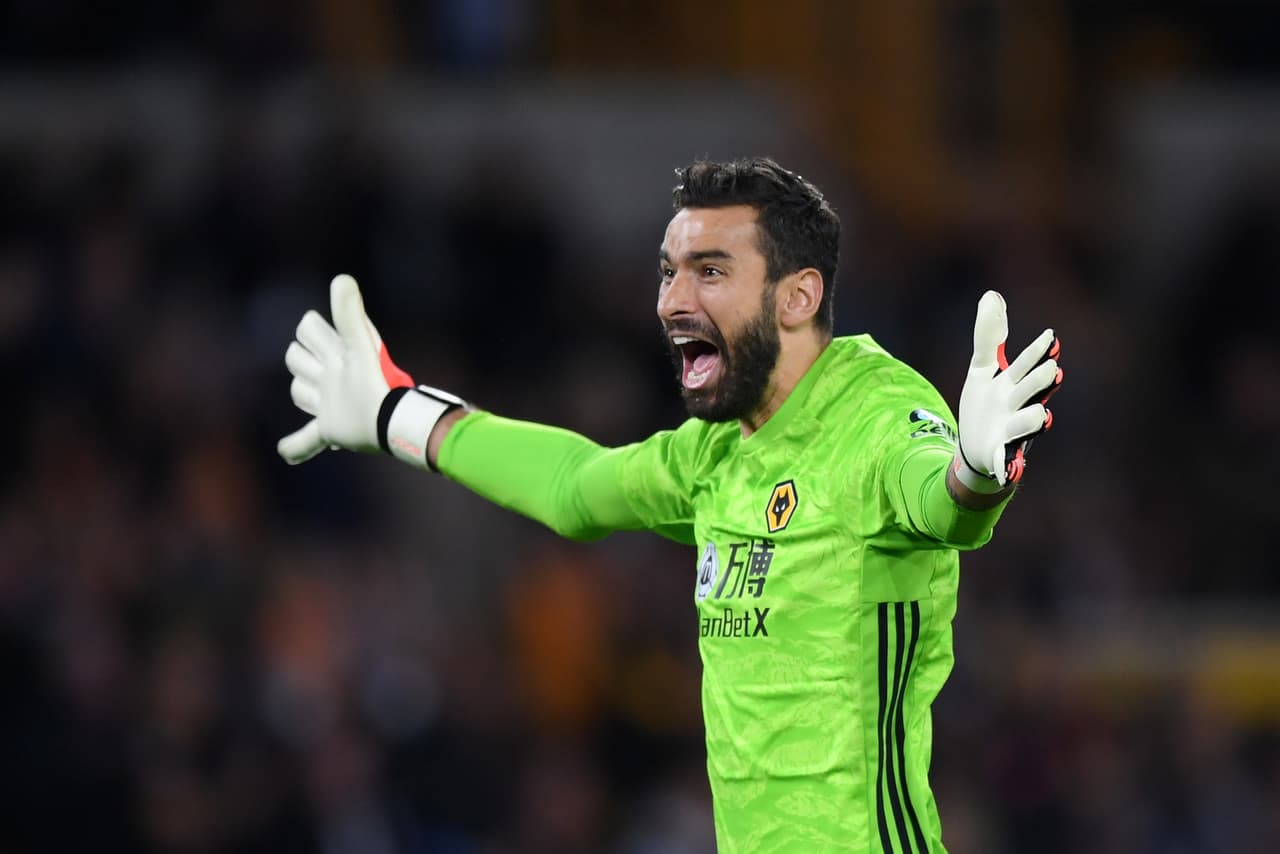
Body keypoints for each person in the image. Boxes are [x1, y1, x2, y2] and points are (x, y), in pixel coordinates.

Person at [277, 157, 1063, 853]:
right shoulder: (718, 453)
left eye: (710, 271)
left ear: (797, 297)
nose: (670, 301)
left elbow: (938, 500)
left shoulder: (877, 416)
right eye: (668, 271)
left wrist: (975, 470)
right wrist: (396, 414)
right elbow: (573, 487)